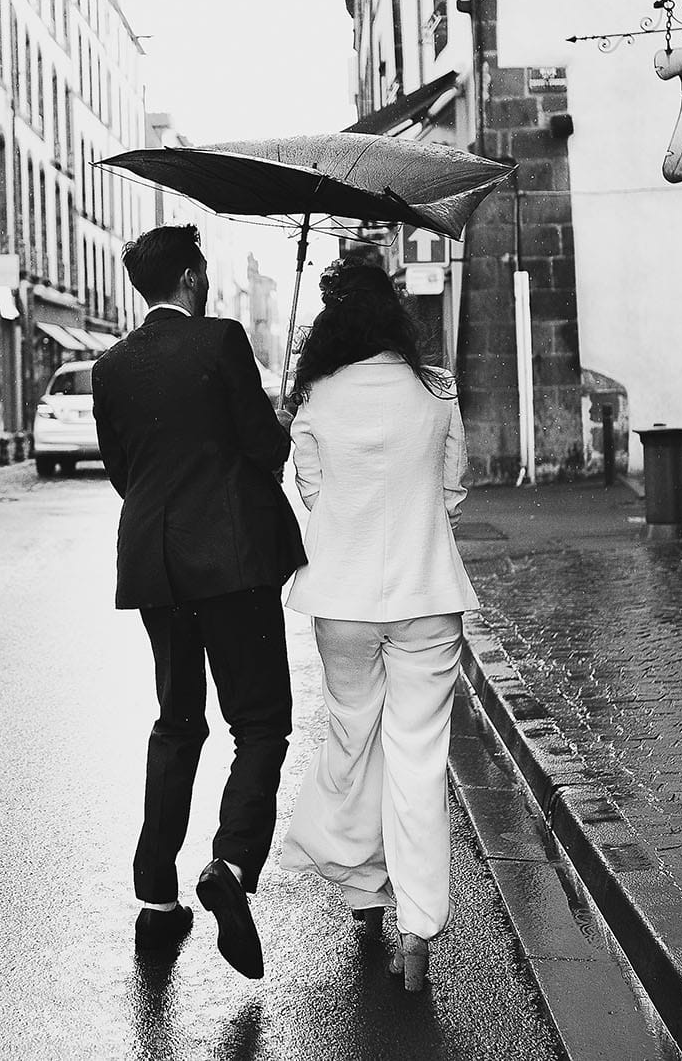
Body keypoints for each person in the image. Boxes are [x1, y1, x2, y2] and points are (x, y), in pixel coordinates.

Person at [91, 225, 305, 978]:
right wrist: (278, 425)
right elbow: (264, 448)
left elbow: (123, 471)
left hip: (156, 566)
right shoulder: (221, 341)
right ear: (188, 278)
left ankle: (157, 897)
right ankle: (231, 864)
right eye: (204, 272)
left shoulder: (110, 365)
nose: (209, 283)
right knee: (260, 722)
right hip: (232, 562)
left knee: (177, 722)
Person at [277, 260, 479, 992]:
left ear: (333, 320)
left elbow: (311, 489)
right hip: (428, 592)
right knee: (418, 758)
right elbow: (452, 487)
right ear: (395, 315)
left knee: (353, 739)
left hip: (344, 598)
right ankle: (417, 930)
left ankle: (364, 890)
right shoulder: (438, 390)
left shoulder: (316, 396)